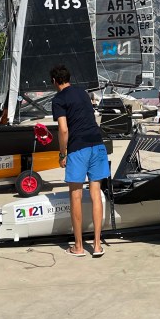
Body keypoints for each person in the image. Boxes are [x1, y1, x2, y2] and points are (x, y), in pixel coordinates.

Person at [51, 64, 109, 258]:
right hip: (97, 144)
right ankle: (97, 246)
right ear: (69, 78)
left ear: (54, 81)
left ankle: (78, 247)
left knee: (75, 196)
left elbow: (63, 129)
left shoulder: (58, 99)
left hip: (78, 148)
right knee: (95, 194)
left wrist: (62, 154)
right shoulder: (83, 93)